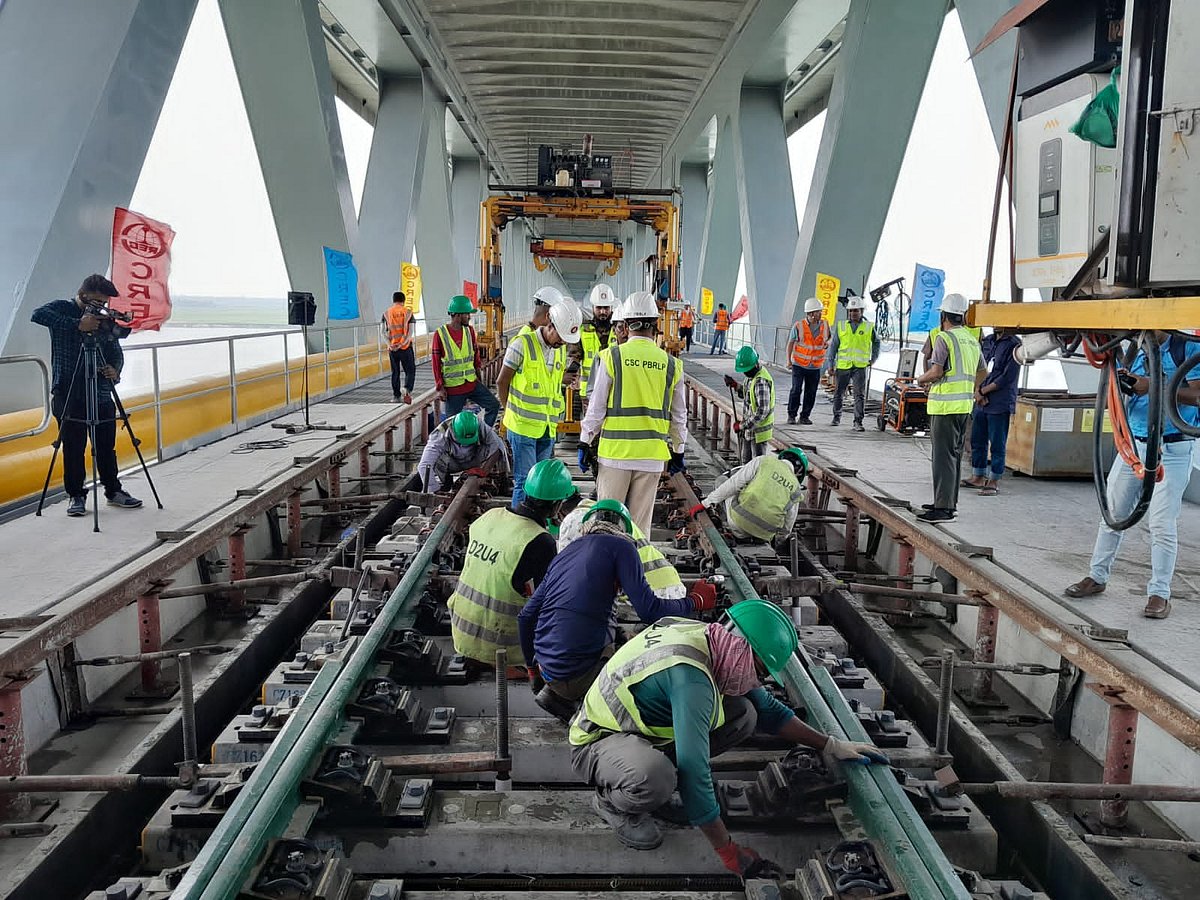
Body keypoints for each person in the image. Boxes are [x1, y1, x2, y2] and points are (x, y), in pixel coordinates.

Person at [570, 600, 887, 863]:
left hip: (642, 731)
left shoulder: (713, 639)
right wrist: (728, 851)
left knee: (744, 714)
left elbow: (768, 711)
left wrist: (831, 745)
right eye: (760, 671)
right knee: (655, 777)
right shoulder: (692, 681)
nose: (758, 681)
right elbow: (695, 771)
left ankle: (662, 789)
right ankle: (613, 804)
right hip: (598, 741)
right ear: (742, 650)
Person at [518, 499, 718, 719]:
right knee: (644, 642)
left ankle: (557, 694)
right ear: (624, 529)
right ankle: (593, 710)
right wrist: (696, 601)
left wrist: (532, 670)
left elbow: (526, 617)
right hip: (578, 674)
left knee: (613, 630)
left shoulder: (566, 554)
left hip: (548, 671)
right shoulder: (623, 547)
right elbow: (650, 611)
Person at [1065, 332, 1200, 619]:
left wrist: (1152, 386)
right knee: (1113, 514)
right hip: (1134, 445)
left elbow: (1198, 395)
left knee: (1162, 524)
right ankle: (1097, 576)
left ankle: (1159, 594)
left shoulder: (1185, 348)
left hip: (1172, 448)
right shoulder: (1136, 351)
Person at [31, 274, 142, 517]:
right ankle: (76, 496)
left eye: (104, 304)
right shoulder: (62, 309)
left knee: (105, 445)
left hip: (101, 391)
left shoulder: (102, 321)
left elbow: (116, 349)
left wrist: (115, 370)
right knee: (73, 447)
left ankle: (113, 491)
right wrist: (78, 324)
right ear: (82, 296)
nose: (101, 308)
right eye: (96, 302)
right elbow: (37, 314)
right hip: (68, 390)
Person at [447, 458, 576, 666]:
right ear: (557, 505)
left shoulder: (489, 516)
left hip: (461, 630)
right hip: (502, 647)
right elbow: (548, 603)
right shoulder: (540, 541)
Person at [579, 291, 687, 537]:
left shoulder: (612, 357)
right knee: (639, 529)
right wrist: (679, 451)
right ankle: (636, 572)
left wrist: (585, 442)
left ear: (626, 325)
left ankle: (606, 572)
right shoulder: (672, 365)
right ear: (656, 325)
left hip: (615, 455)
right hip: (650, 458)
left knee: (606, 525)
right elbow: (679, 417)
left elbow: (596, 409)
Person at [497, 298, 583, 507]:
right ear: (549, 323)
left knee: (541, 483)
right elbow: (502, 381)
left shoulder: (559, 349)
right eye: (561, 337)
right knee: (525, 481)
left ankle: (536, 525)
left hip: (547, 427)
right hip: (523, 426)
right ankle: (519, 530)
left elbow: (549, 380)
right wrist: (509, 411)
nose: (563, 342)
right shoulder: (521, 344)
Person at [914, 293, 985, 523]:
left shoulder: (944, 338)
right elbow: (983, 371)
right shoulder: (971, 339)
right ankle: (947, 503)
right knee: (953, 456)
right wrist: (972, 390)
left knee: (942, 458)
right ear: (962, 316)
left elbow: (936, 371)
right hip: (964, 407)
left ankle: (942, 509)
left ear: (943, 315)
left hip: (944, 407)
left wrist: (920, 380)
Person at [559, 498, 688, 599]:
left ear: (557, 508)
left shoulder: (572, 521)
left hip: (648, 594)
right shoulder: (601, 512)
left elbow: (565, 571)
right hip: (671, 585)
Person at [687, 447, 808, 543]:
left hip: (737, 525)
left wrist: (704, 504)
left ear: (782, 457)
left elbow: (733, 484)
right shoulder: (796, 487)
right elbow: (788, 524)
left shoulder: (764, 461)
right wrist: (777, 541)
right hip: (763, 536)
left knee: (722, 481)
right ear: (799, 472)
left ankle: (724, 518)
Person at [962, 330, 1022, 496]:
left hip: (999, 401)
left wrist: (983, 391)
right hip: (981, 400)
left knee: (997, 442)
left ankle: (994, 479)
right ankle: (978, 475)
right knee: (977, 439)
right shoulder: (988, 341)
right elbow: (977, 366)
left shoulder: (1015, 345)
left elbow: (1007, 377)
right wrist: (977, 391)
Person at [432, 294, 500, 427]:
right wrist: (440, 387)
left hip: (471, 384)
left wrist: (479, 376)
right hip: (453, 389)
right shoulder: (440, 334)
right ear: (458, 315)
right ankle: (452, 447)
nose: (469, 317)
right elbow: (435, 363)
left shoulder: (469, 331)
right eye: (467, 314)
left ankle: (483, 434)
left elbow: (475, 356)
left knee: (493, 405)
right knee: (451, 425)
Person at [413, 410, 509, 493]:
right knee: (434, 461)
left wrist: (484, 470)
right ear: (453, 430)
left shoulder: (478, 424)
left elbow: (497, 446)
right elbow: (424, 465)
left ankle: (505, 482)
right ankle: (445, 483)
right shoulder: (441, 433)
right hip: (453, 463)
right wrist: (434, 489)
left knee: (500, 444)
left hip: (475, 458)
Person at [825, 295, 879, 431]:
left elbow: (877, 342)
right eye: (851, 311)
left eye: (856, 311)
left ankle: (858, 422)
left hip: (860, 367)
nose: (853, 313)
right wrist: (830, 364)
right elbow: (834, 346)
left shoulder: (868, 327)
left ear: (861, 311)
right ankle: (836, 417)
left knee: (859, 395)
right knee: (838, 393)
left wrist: (873, 358)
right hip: (843, 366)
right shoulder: (841, 326)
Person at [723, 347, 774, 463]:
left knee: (756, 467)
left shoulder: (761, 382)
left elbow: (762, 412)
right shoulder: (751, 377)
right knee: (746, 463)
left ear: (756, 364)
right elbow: (748, 395)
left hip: (759, 433)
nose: (745, 373)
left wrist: (742, 426)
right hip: (749, 430)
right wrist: (736, 386)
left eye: (747, 370)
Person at [786, 298, 830, 425]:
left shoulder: (825, 325)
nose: (820, 314)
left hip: (815, 366)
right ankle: (791, 415)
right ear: (811, 313)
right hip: (799, 365)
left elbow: (829, 339)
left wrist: (827, 343)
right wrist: (789, 361)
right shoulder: (798, 326)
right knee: (796, 390)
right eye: (818, 312)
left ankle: (804, 416)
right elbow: (790, 343)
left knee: (811, 392)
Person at [579, 283, 616, 400]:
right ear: (593, 308)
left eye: (606, 308)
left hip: (613, 391)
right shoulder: (583, 330)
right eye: (599, 308)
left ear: (611, 308)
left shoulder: (619, 331)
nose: (603, 312)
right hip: (589, 392)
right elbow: (574, 354)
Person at [381, 290, 415, 403]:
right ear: (403, 301)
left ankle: (396, 396)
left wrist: (390, 345)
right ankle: (407, 389)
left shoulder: (387, 313)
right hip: (405, 347)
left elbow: (383, 332)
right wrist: (402, 343)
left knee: (395, 372)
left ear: (393, 301)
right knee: (410, 370)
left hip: (392, 349)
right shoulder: (408, 312)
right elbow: (410, 332)